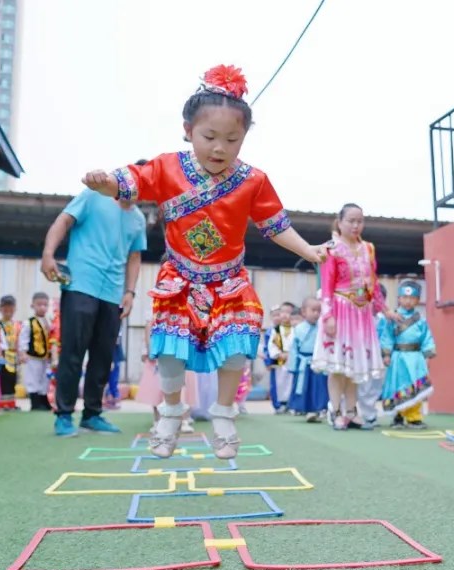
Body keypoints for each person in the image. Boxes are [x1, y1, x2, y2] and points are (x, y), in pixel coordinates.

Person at [81, 64, 327, 459]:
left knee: (237, 345)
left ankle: (224, 414)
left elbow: (275, 224)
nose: (219, 148)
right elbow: (130, 181)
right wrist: (104, 182)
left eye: (232, 139)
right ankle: (171, 412)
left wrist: (310, 250)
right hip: (179, 277)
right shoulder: (166, 167)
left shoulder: (253, 180)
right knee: (170, 352)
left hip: (229, 280)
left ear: (244, 138)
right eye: (209, 136)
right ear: (187, 129)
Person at [41, 161, 148, 438]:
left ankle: (92, 414)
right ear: (125, 179)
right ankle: (64, 415)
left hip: (113, 295)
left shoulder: (138, 219)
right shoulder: (93, 197)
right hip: (81, 284)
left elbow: (135, 256)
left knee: (103, 357)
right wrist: (48, 254)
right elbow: (63, 220)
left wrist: (130, 292)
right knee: (73, 352)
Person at [312, 203, 398, 431]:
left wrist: (384, 308)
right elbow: (327, 283)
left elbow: (374, 281)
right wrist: (328, 315)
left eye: (360, 221)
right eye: (351, 220)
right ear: (339, 222)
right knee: (338, 366)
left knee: (353, 367)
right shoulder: (332, 248)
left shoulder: (368, 248)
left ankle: (352, 411)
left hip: (362, 314)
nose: (356, 225)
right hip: (340, 311)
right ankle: (336, 410)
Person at [380, 281, 437, 429]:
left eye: (412, 298)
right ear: (398, 298)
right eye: (404, 298)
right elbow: (387, 337)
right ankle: (398, 416)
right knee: (397, 387)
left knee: (416, 386)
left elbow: (427, 338)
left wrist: (427, 355)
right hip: (398, 358)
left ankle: (414, 417)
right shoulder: (393, 318)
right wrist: (386, 354)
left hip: (416, 358)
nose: (407, 301)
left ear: (417, 300)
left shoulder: (421, 321)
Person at [288, 296, 330, 422]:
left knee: (319, 387)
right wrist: (292, 366)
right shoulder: (298, 329)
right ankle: (306, 410)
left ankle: (320, 409)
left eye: (319, 311)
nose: (316, 314)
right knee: (304, 387)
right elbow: (294, 348)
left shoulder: (322, 327)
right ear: (304, 312)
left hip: (318, 362)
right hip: (303, 362)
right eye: (313, 310)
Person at [356, 283, 389, 425]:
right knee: (353, 385)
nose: (375, 303)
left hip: (376, 359)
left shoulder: (383, 320)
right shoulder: (355, 317)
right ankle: (340, 411)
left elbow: (386, 338)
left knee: (373, 386)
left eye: (379, 299)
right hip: (356, 358)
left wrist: (385, 353)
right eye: (372, 298)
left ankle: (369, 414)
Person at [18, 292, 54, 412]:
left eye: (45, 305)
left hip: (45, 356)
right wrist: (22, 352)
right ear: (32, 305)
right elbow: (23, 338)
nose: (42, 307)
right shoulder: (29, 322)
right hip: (32, 356)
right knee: (32, 378)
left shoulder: (48, 322)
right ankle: (35, 402)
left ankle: (43, 399)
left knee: (44, 378)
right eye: (39, 304)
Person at [267, 302, 296, 413]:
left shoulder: (295, 330)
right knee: (279, 383)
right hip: (279, 360)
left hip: (291, 360)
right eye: (282, 312)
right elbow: (272, 344)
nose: (284, 315)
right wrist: (278, 354)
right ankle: (278, 405)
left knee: (291, 382)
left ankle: (290, 404)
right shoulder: (276, 330)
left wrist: (291, 354)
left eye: (288, 313)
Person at [0, 295, 21, 411]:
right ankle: (2, 403)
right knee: (3, 379)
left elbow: (20, 340)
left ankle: (11, 403)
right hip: (3, 356)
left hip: (14, 356)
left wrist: (20, 354)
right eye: (5, 310)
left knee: (13, 379)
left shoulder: (18, 325)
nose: (8, 313)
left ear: (15, 309)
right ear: (0, 309)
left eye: (11, 310)